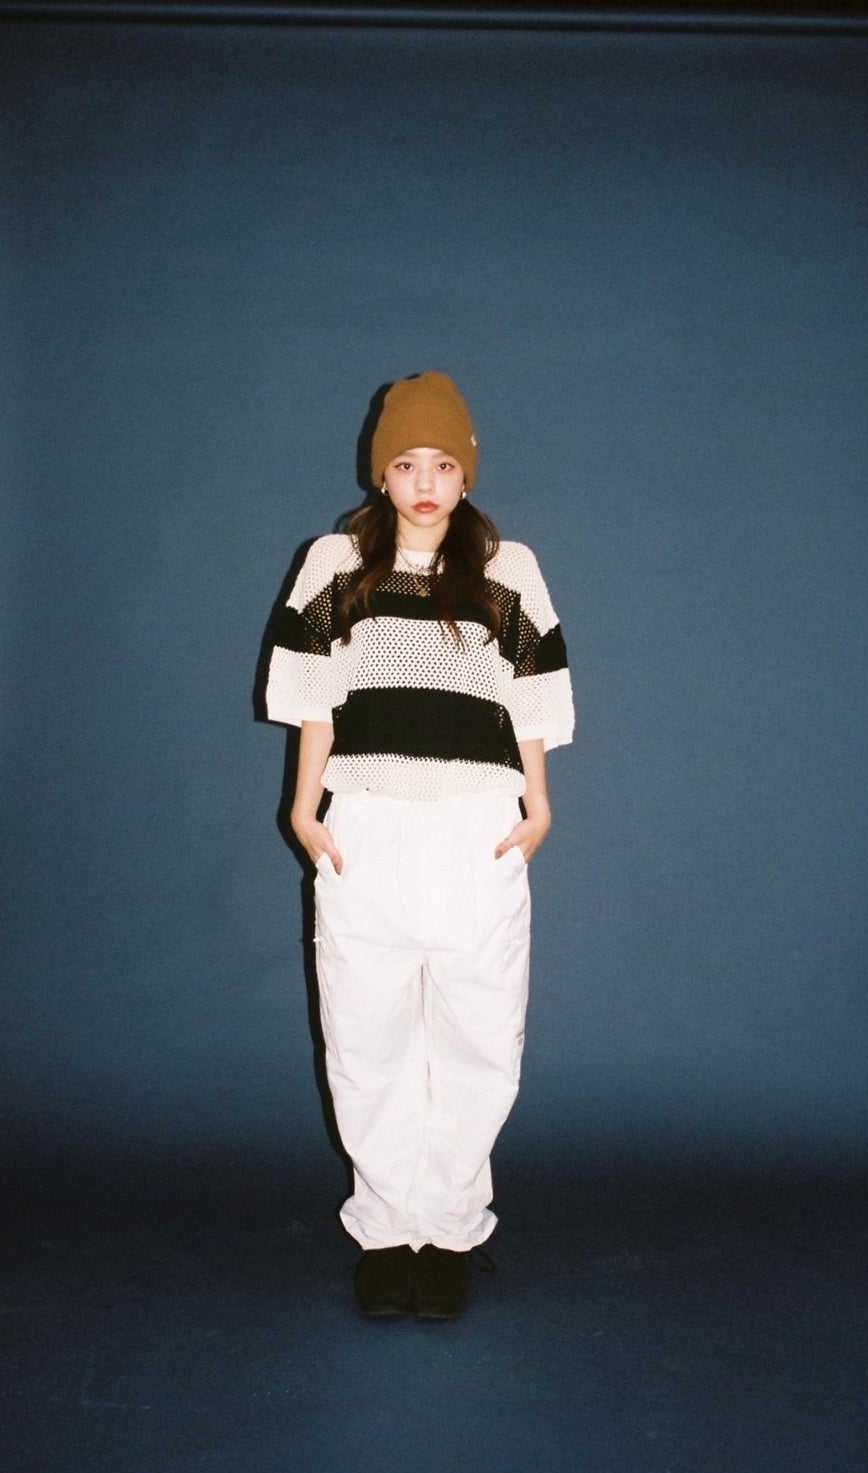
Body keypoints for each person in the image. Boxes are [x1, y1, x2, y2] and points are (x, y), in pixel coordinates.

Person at [263, 372, 573, 1318]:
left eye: (443, 463)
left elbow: (532, 698)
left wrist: (539, 805)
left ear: (467, 472)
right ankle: (388, 1228)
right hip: (367, 825)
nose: (426, 482)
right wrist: (304, 809)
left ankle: (449, 1227)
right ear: (381, 474)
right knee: (367, 1034)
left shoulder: (509, 570)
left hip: (478, 827)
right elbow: (312, 696)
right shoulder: (335, 563)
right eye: (406, 464)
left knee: (479, 1033)